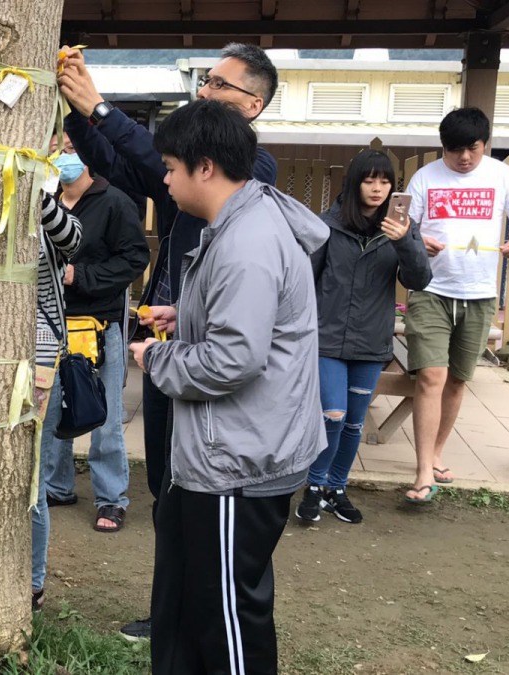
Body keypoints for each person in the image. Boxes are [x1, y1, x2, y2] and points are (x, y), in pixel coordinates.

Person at [58, 39, 281, 641]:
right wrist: (79, 113)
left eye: (219, 84)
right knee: (166, 490)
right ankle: (170, 615)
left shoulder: (255, 172)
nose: (204, 90)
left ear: (254, 105)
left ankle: (207, 617)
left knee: (201, 499)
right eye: (205, 80)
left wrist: (101, 108)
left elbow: (141, 149)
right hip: (167, 350)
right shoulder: (186, 182)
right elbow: (125, 163)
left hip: (208, 365)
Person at [129, 99, 327, 674]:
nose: (165, 181)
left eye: (171, 168)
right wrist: (184, 315)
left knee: (228, 617)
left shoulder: (247, 244)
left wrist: (157, 357)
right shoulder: (242, 223)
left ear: (206, 167)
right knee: (195, 601)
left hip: (238, 462)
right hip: (226, 452)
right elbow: (242, 321)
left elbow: (232, 359)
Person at [402, 107, 509, 503]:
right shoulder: (425, 177)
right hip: (430, 290)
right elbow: (404, 226)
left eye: (473, 148)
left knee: (457, 379)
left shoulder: (502, 176)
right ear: (443, 147)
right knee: (431, 376)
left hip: (479, 295)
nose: (464, 157)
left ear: (485, 144)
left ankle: (436, 453)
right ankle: (423, 471)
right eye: (455, 150)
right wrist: (418, 240)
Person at [295, 150, 432, 524]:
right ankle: (314, 485)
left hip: (371, 341)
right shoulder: (326, 226)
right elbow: (305, 279)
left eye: (385, 181)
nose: (377, 188)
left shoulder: (401, 229)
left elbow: (419, 280)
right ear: (355, 183)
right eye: (369, 180)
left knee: (355, 421)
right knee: (333, 415)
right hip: (327, 338)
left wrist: (405, 242)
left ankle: (337, 489)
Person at [43, 134, 149, 534]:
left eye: (71, 148)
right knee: (53, 411)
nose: (63, 156)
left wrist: (80, 275)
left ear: (89, 154)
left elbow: (135, 259)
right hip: (52, 323)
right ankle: (57, 486)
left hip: (100, 326)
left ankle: (111, 497)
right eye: (56, 148)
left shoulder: (115, 202)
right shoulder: (45, 201)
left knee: (105, 416)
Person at [29, 189, 84, 611]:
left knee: (33, 479)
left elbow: (74, 240)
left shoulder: (51, 213)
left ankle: (33, 583)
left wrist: (39, 194)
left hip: (41, 362)